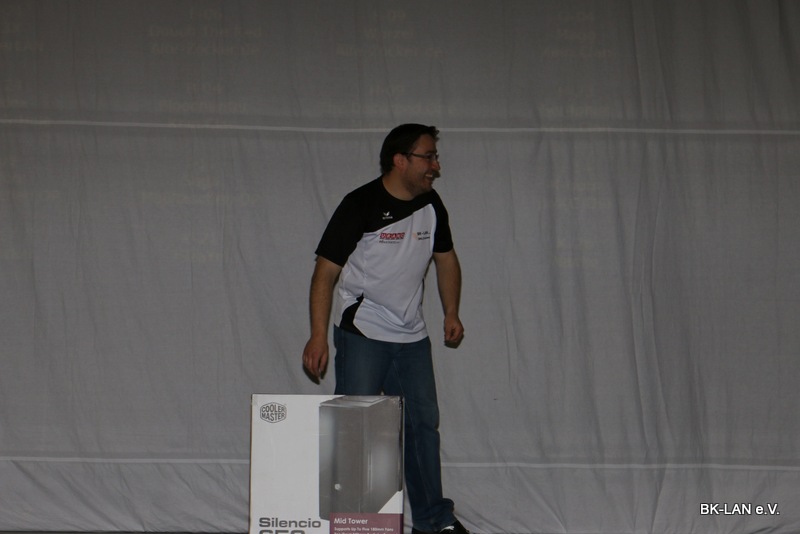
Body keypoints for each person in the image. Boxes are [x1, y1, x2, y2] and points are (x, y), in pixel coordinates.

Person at [302, 124, 469, 534]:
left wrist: (451, 312)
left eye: (435, 157)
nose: (435, 166)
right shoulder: (360, 204)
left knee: (422, 427)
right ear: (400, 160)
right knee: (355, 429)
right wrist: (318, 335)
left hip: (412, 337)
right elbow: (325, 272)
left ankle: (432, 521)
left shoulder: (432, 204)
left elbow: (446, 258)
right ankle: (355, 524)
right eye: (428, 157)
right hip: (363, 333)